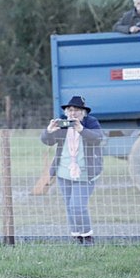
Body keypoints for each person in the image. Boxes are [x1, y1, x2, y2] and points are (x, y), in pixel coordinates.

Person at [40, 96, 104, 245]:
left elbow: (98, 138)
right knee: (69, 206)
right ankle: (76, 236)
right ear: (66, 112)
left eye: (76, 110)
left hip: (86, 172)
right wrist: (49, 131)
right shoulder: (62, 123)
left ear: (83, 112)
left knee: (77, 205)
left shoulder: (91, 122)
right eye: (70, 110)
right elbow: (48, 142)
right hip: (63, 172)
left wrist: (81, 129)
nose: (73, 113)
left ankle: (87, 236)